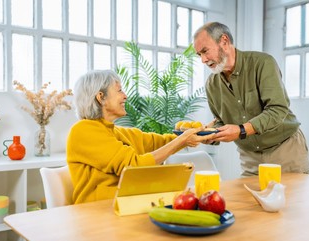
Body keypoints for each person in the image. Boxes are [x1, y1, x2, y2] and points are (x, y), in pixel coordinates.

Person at [67, 69, 214, 203]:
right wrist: (183, 140)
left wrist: (194, 132)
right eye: (119, 91)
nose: (125, 96)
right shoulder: (83, 130)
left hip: (126, 206)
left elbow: (161, 142)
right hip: (95, 213)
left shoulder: (118, 132)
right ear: (101, 97)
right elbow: (133, 167)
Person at [193, 22, 309, 176]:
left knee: (299, 200)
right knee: (247, 201)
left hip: (285, 151)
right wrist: (208, 135)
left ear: (224, 41)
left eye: (205, 51)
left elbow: (278, 109)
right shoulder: (211, 84)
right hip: (250, 159)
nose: (203, 60)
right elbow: (221, 121)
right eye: (199, 55)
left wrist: (241, 130)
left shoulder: (262, 63)